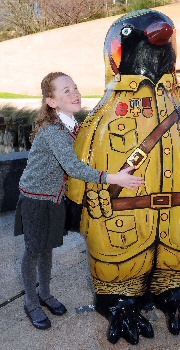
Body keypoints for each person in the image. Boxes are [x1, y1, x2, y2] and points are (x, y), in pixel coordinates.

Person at [14, 72, 145, 330]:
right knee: (33, 251)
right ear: (52, 102)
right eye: (66, 91)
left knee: (47, 248)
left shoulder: (70, 124)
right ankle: (31, 301)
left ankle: (46, 293)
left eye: (75, 88)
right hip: (35, 199)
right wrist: (113, 178)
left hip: (53, 198)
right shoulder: (54, 131)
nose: (75, 93)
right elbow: (74, 168)